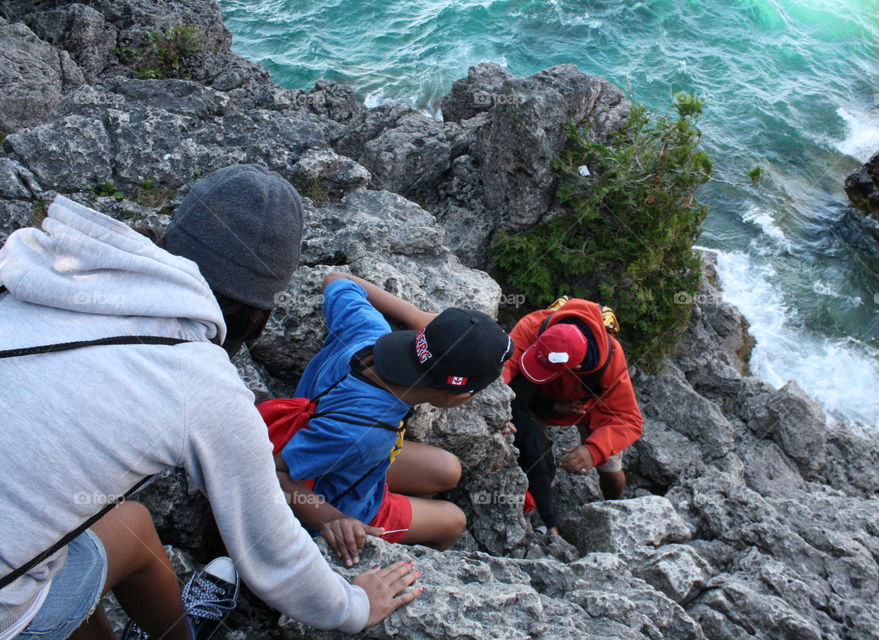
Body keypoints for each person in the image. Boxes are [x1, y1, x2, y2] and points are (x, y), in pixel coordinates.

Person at [0, 165, 418, 640]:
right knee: (125, 530)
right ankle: (182, 634)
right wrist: (356, 605)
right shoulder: (199, 381)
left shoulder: (41, 277)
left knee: (84, 537)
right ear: (259, 312)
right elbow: (272, 550)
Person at [271, 272, 514, 567]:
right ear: (454, 397)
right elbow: (276, 472)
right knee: (453, 520)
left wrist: (414, 313)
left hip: (340, 454)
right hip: (344, 500)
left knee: (447, 470)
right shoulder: (364, 434)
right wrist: (332, 519)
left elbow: (337, 279)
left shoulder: (368, 332)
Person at [502, 297, 644, 536]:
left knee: (611, 471)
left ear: (575, 368)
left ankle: (612, 508)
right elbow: (505, 367)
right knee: (528, 448)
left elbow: (628, 419)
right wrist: (499, 410)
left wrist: (593, 450)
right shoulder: (532, 326)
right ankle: (532, 509)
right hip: (538, 399)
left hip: (588, 408)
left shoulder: (610, 361)